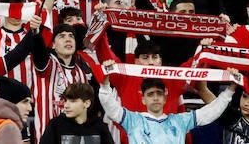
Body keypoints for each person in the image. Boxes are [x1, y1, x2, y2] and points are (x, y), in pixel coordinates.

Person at [98, 68, 240, 144]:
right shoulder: (133, 119)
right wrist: (105, 84)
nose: (155, 97)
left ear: (165, 98)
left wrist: (230, 90)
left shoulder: (179, 121)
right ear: (143, 100)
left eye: (159, 93)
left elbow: (211, 112)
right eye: (150, 94)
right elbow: (111, 107)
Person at [36, 83, 114, 144]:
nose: (66, 105)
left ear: (87, 103)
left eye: (73, 101)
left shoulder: (100, 127)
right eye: (66, 100)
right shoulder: (55, 125)